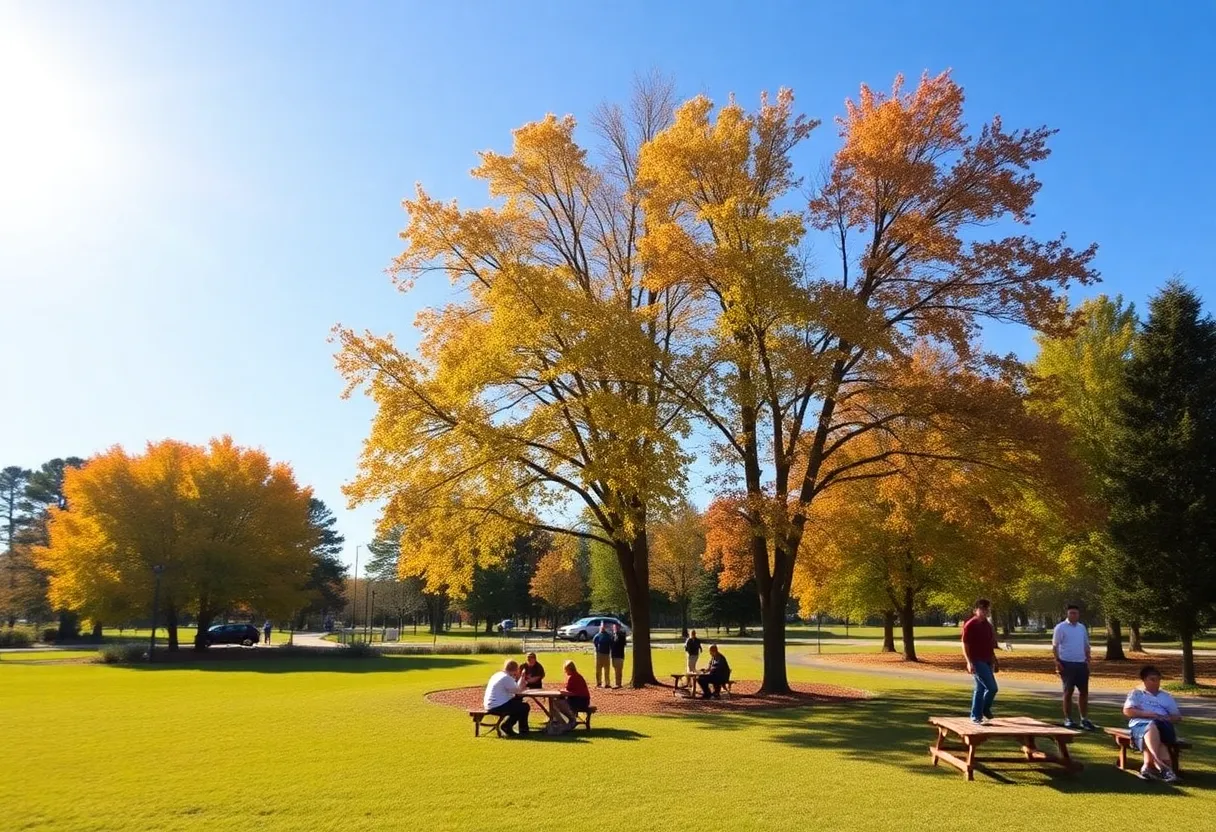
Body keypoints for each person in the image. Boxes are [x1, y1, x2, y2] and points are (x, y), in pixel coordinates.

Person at [1123, 665, 1183, 782]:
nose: (1156, 683)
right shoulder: (1136, 694)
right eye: (1152, 679)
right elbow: (1127, 711)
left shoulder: (1166, 697)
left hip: (1163, 725)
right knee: (1151, 726)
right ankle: (1163, 767)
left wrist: (1165, 718)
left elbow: (1177, 717)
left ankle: (1149, 767)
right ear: (1144, 680)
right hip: (1141, 723)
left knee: (1154, 728)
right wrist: (1148, 714)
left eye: (1158, 679)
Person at [1052, 603, 1095, 730]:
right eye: (1071, 613)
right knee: (1068, 692)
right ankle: (1068, 719)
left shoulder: (1081, 628)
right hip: (1066, 663)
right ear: (1067, 614)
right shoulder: (1060, 627)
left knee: (1084, 692)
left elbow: (1086, 645)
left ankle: (1084, 719)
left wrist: (1088, 659)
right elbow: (1055, 646)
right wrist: (1057, 662)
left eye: (1075, 613)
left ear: (1079, 614)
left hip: (1081, 664)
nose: (1073, 615)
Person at [961, 598, 999, 724]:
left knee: (980, 689)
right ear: (975, 610)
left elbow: (990, 644)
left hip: (987, 660)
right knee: (992, 688)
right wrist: (969, 662)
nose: (985, 611)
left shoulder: (988, 625)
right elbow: (965, 644)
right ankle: (984, 709)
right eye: (982, 609)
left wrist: (994, 660)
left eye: (987, 609)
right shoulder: (971, 625)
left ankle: (976, 716)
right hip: (977, 660)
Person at [483, 659, 531, 738]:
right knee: (524, 707)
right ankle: (519, 729)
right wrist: (522, 677)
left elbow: (516, 688)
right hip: (497, 706)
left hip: (491, 704)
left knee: (519, 703)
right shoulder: (506, 678)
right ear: (515, 670)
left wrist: (521, 677)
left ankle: (509, 726)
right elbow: (518, 690)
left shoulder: (498, 675)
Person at [552, 660, 591, 732]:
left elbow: (573, 693)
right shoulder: (576, 676)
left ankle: (568, 720)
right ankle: (563, 720)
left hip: (580, 700)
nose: (565, 672)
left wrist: (562, 692)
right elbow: (570, 690)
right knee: (557, 701)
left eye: (566, 670)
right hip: (582, 699)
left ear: (569, 669)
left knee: (555, 702)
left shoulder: (574, 677)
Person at [592, 623, 613, 688]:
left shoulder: (608, 636)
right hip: (599, 654)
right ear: (600, 628)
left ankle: (607, 683)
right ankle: (599, 683)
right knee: (598, 669)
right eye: (601, 627)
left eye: (604, 627)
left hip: (606, 654)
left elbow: (611, 645)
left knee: (607, 670)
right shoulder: (597, 636)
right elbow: (595, 643)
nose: (602, 628)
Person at [610, 623, 628, 688]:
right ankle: (616, 683)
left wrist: (618, 635)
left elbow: (623, 643)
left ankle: (619, 684)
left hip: (619, 655)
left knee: (619, 670)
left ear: (619, 628)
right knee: (615, 670)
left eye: (616, 627)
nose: (615, 629)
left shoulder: (622, 635)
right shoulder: (612, 636)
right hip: (613, 656)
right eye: (614, 627)